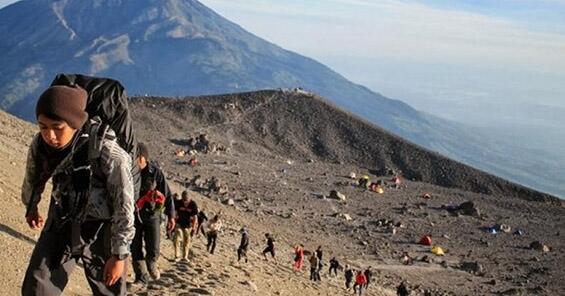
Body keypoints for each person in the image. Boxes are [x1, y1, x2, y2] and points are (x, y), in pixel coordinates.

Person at [21, 85, 135, 295]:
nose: (50, 135)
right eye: (43, 127)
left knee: (108, 289)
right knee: (37, 285)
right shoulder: (41, 145)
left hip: (103, 228)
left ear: (75, 123)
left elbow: (124, 204)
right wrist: (31, 205)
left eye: (57, 127)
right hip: (63, 218)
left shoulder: (107, 151)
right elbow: (33, 176)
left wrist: (119, 255)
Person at [131, 143, 176, 285]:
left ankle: (151, 264)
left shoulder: (156, 173)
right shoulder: (129, 171)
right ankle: (141, 276)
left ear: (143, 158)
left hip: (152, 216)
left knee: (153, 247)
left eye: (135, 158)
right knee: (135, 247)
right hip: (133, 216)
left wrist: (171, 216)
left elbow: (167, 195)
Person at [174, 191, 198, 261]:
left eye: (186, 199)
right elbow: (174, 212)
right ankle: (177, 256)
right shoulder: (178, 203)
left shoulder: (193, 204)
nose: (185, 201)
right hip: (179, 223)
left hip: (188, 225)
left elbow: (195, 217)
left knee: (187, 241)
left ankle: (185, 256)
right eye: (184, 199)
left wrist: (193, 228)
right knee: (177, 239)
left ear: (189, 198)